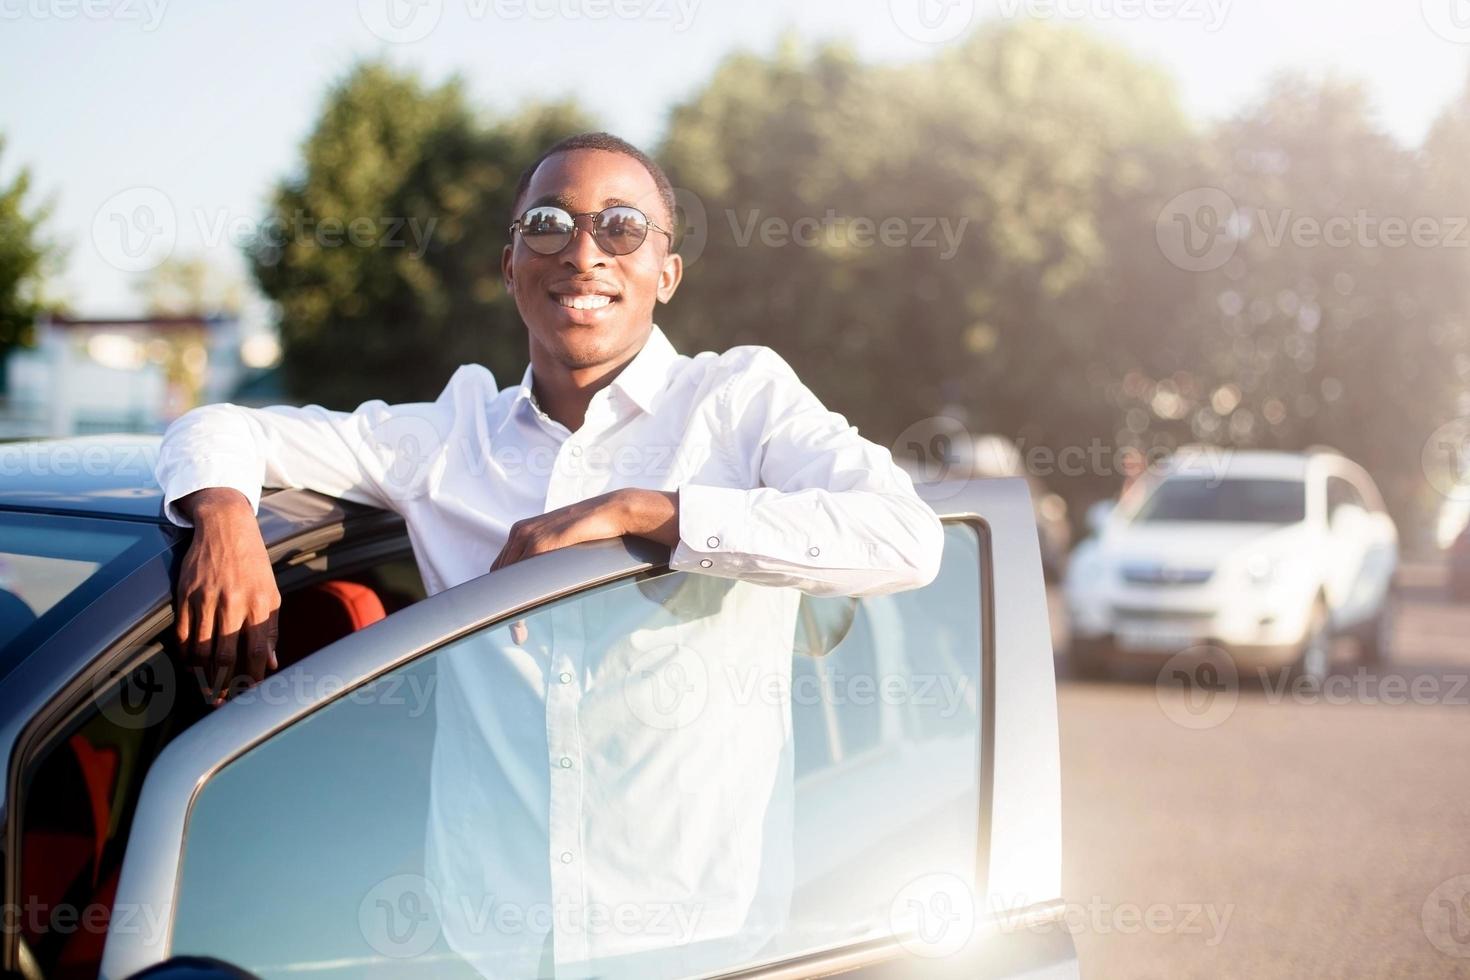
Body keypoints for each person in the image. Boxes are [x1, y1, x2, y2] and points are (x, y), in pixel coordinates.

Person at [155, 132, 944, 978]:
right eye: (548, 223)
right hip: (483, 942)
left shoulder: (738, 403)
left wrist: (653, 514)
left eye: (621, 228)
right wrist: (225, 514)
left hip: (697, 942)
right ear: (509, 264)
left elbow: (905, 536)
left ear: (666, 275)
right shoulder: (452, 437)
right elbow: (216, 426)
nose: (582, 252)